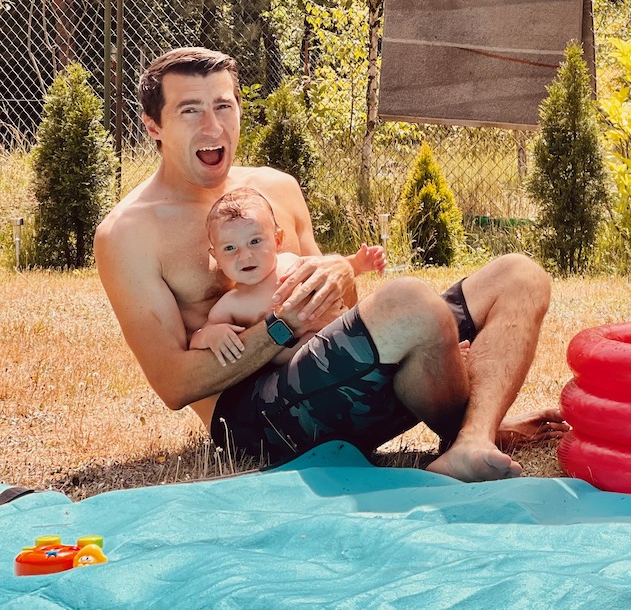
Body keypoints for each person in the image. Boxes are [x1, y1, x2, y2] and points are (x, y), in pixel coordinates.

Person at [95, 47, 564, 480]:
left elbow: (343, 319)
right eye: (190, 110)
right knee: (409, 301)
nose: (213, 126)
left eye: (223, 106)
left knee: (519, 275)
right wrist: (281, 327)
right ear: (153, 126)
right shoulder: (129, 234)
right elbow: (173, 386)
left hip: (336, 380)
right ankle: (474, 423)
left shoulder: (275, 188)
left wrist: (341, 271)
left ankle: (474, 438)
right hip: (257, 421)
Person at [191, 186, 386, 367]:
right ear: (216, 256)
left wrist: (357, 263)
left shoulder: (293, 262)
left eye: (255, 241)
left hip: (345, 336)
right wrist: (211, 336)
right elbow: (197, 339)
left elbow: (327, 276)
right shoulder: (230, 304)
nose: (245, 256)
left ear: (278, 240)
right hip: (304, 367)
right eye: (230, 248)